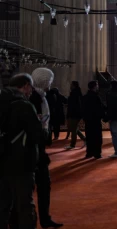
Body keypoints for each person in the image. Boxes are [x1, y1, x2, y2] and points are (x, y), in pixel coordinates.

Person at [0, 73, 42, 229]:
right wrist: (41, 125)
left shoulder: (2, 102)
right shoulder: (24, 105)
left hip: (2, 160)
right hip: (22, 163)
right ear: (26, 86)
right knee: (24, 205)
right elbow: (38, 136)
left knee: (3, 205)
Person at [29, 68, 63, 229]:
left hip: (39, 149)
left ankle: (45, 218)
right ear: (44, 82)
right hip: (32, 150)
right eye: (49, 81)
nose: (51, 84)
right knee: (35, 187)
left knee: (44, 186)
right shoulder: (34, 99)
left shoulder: (42, 97)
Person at [82, 81, 105, 159]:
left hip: (88, 120)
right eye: (97, 85)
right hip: (96, 120)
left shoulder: (85, 97)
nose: (98, 86)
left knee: (89, 136)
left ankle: (89, 152)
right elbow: (100, 108)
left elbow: (83, 109)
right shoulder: (96, 97)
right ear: (95, 86)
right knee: (97, 137)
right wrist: (103, 116)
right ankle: (97, 153)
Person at [65, 81, 86, 149]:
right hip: (77, 114)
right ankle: (84, 139)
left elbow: (72, 106)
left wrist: (69, 114)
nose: (70, 86)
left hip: (74, 114)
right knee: (74, 128)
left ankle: (72, 144)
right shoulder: (78, 93)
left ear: (74, 86)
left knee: (73, 129)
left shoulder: (74, 94)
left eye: (71, 85)